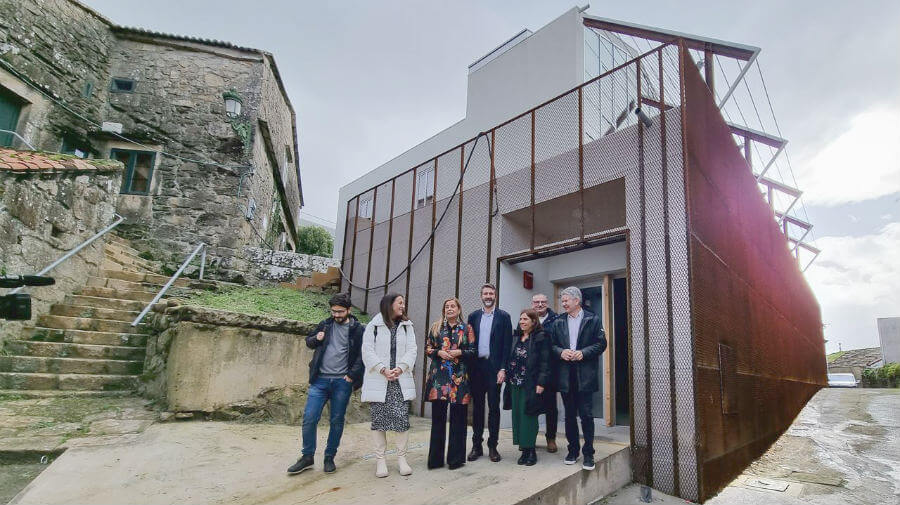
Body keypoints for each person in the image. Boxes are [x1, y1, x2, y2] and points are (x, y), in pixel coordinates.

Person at [287, 293, 364, 475]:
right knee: (309, 418)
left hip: (342, 382)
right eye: (333, 311)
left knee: (336, 420)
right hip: (320, 380)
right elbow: (309, 342)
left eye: (340, 312)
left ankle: (329, 457)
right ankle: (307, 457)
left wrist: (352, 375)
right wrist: (317, 338)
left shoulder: (357, 329)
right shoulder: (325, 324)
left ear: (349, 310)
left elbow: (362, 356)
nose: (336, 315)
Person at [550, 286, 607, 471]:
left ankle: (589, 453)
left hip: (585, 374)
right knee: (569, 416)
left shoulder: (592, 319)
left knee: (586, 415)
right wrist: (561, 352)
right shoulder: (558, 322)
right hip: (566, 375)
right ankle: (572, 451)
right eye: (563, 300)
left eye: (566, 300)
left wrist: (583, 353)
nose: (563, 303)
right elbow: (551, 345)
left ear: (577, 301)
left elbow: (601, 343)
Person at [361, 293, 418, 478]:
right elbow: (367, 351)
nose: (403, 305)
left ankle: (402, 459)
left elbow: (412, 350)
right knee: (379, 421)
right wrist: (383, 369)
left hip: (399, 380)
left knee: (402, 420)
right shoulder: (374, 325)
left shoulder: (407, 326)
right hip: (380, 379)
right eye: (400, 302)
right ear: (389, 304)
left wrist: (400, 369)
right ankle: (381, 461)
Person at [424, 298, 476, 470]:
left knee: (458, 420)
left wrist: (459, 351)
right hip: (439, 380)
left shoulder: (466, 328)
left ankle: (455, 460)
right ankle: (435, 460)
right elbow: (428, 348)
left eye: (453, 306)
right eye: (447, 306)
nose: (450, 309)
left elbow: (473, 351)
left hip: (459, 380)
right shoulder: (436, 327)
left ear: (459, 309)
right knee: (438, 420)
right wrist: (439, 352)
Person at [467, 283, 512, 463]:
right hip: (476, 369)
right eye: (485, 293)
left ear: (495, 296)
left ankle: (493, 446)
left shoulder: (504, 317)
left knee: (494, 408)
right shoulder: (473, 317)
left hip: (495, 370)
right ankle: (476, 445)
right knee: (477, 408)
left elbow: (507, 345)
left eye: (491, 293)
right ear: (481, 296)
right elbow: (468, 344)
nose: (488, 296)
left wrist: (503, 368)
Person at [507, 309, 550, 466]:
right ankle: (523, 449)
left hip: (530, 384)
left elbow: (545, 362)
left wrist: (541, 382)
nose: (522, 322)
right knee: (517, 415)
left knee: (529, 416)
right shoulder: (516, 336)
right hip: (514, 382)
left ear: (533, 321)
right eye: (520, 319)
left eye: (525, 319)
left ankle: (531, 450)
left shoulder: (541, 337)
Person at [531, 293, 560, 453]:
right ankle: (530, 437)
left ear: (547, 303)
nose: (540, 304)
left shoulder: (556, 320)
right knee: (532, 406)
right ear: (532, 304)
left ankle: (551, 438)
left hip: (550, 371)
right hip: (531, 372)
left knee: (550, 407)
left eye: (543, 302)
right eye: (537, 302)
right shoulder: (527, 318)